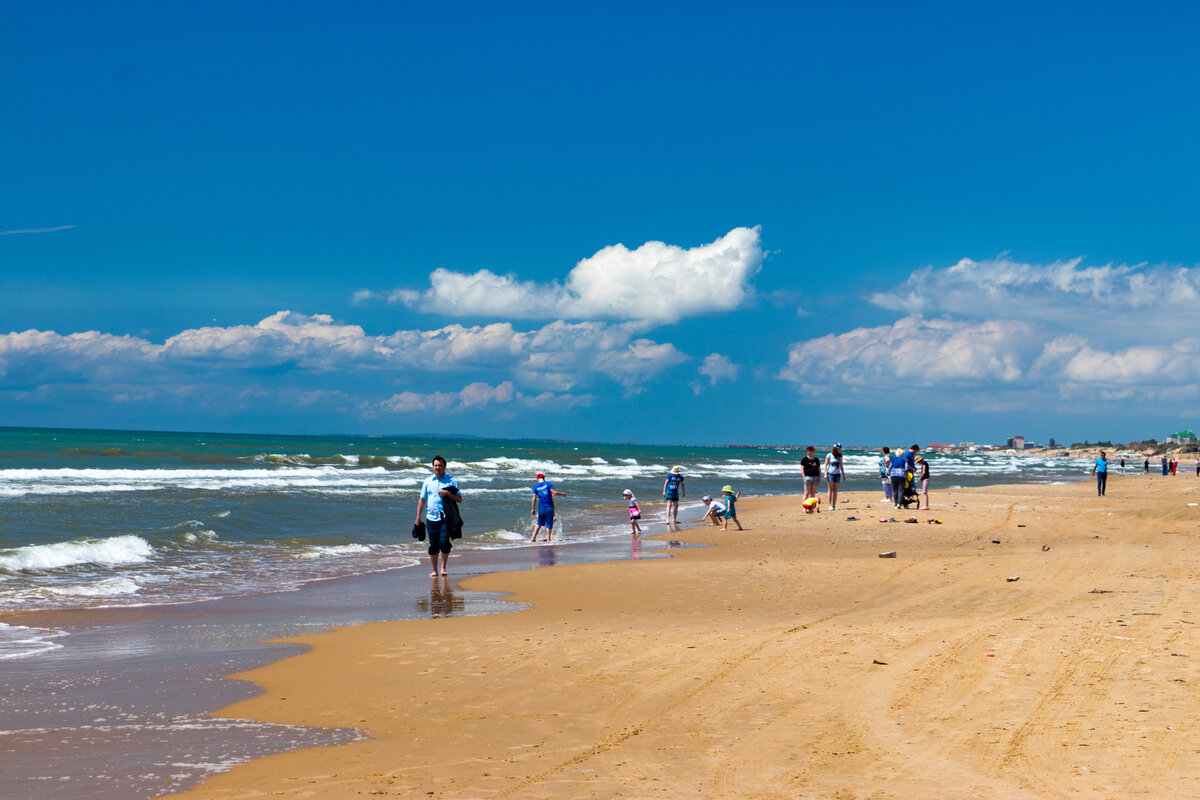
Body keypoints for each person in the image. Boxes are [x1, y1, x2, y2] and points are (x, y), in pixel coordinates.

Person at [415, 455, 462, 577]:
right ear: (433, 467)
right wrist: (417, 519)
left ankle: (443, 568)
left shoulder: (451, 481)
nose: (437, 467)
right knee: (433, 545)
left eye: (440, 465)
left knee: (444, 542)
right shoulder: (427, 481)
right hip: (430, 518)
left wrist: (447, 493)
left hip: (446, 518)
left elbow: (459, 499)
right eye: (435, 465)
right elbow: (422, 500)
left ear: (444, 467)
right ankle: (434, 570)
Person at [530, 472, 565, 542]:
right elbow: (553, 492)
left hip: (541, 508)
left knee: (539, 523)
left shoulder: (536, 487)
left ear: (537, 479)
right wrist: (562, 494)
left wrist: (533, 509)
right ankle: (548, 540)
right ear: (544, 478)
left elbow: (534, 498)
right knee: (549, 523)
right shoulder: (548, 484)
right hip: (549, 507)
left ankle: (533, 538)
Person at [824, 444, 844, 511]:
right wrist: (825, 474)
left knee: (835, 490)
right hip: (830, 474)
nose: (839, 450)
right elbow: (825, 465)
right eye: (839, 449)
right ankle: (830, 506)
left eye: (840, 449)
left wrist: (843, 475)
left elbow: (841, 465)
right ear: (835, 448)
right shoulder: (829, 455)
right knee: (830, 489)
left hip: (837, 474)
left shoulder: (840, 456)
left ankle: (834, 505)